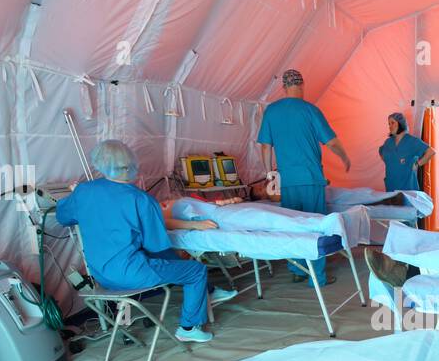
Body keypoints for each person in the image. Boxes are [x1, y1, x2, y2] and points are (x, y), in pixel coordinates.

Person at [56, 140, 236, 344]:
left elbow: (63, 217)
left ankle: (209, 291)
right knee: (195, 270)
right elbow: (155, 245)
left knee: (169, 261)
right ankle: (188, 327)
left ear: (99, 164)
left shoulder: (83, 191)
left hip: (101, 276)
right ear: (132, 165)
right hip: (132, 275)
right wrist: (191, 226)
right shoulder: (141, 199)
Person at [257, 68, 351, 286]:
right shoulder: (311, 110)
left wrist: (270, 175)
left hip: (287, 180)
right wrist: (344, 157)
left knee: (293, 226)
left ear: (283, 87)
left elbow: (265, 146)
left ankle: (297, 269)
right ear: (302, 85)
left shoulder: (271, 111)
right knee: (315, 226)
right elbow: (331, 142)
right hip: (310, 178)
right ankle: (316, 277)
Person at [378, 112, 433, 192]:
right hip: (391, 188)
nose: (390, 126)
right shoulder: (388, 142)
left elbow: (431, 152)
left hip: (408, 189)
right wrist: (389, 161)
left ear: (400, 123)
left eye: (392, 123)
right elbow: (381, 151)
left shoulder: (412, 141)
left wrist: (418, 163)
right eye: (389, 124)